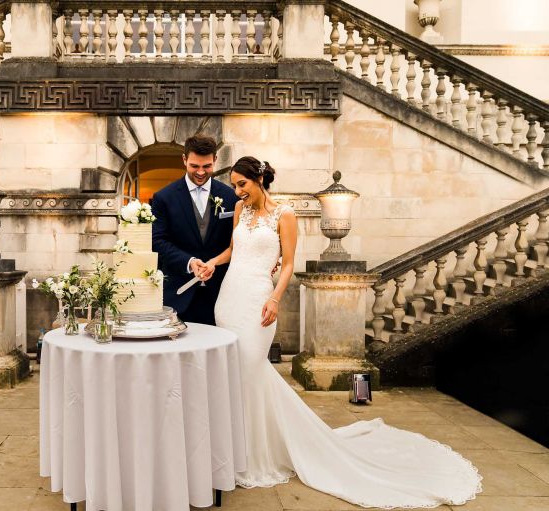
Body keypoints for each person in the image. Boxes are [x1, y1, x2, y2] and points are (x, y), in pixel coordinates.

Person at [201, 156, 482, 509]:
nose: (237, 191)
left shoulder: (283, 215)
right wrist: (212, 263)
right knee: (238, 375)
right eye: (234, 185)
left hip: (259, 299)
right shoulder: (240, 211)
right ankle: (237, 451)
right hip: (229, 299)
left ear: (259, 180)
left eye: (242, 184)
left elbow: (288, 264)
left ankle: (258, 455)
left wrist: (275, 297)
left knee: (250, 369)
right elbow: (233, 250)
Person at [151, 135, 238, 325]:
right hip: (179, 294)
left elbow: (240, 240)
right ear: (184, 160)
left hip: (221, 294)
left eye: (206, 166)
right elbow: (157, 241)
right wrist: (189, 262)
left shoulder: (231, 196)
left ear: (215, 160)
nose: (200, 172)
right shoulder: (163, 198)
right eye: (194, 166)